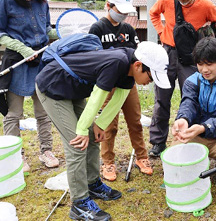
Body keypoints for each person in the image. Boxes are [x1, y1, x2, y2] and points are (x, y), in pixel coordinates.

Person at [35, 41, 170, 221]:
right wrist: (82, 128)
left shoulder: (130, 68)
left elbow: (118, 99)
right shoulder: (117, 62)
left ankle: (92, 184)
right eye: (151, 77)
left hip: (73, 90)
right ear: (139, 66)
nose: (149, 82)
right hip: (53, 86)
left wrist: (100, 124)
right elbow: (98, 95)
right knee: (77, 143)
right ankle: (79, 204)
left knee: (91, 137)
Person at [149, 0, 216, 157]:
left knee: (191, 98)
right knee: (161, 98)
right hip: (167, 53)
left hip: (190, 57)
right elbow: (153, 14)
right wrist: (161, 31)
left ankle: (189, 138)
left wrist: (204, 39)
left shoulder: (205, 5)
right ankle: (158, 142)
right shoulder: (166, 0)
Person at [0, 0, 59, 172]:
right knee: (13, 114)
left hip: (41, 62)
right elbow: (1, 34)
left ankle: (46, 151)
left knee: (43, 111)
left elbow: (47, 30)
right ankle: (15, 156)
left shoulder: (42, 2)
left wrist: (62, 32)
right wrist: (23, 48)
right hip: (18, 62)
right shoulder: (4, 2)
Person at [89, 0, 153, 181]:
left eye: (126, 12)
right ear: (108, 6)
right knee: (108, 124)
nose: (123, 15)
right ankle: (108, 162)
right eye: (120, 10)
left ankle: (142, 157)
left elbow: (136, 56)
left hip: (128, 84)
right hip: (107, 86)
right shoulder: (97, 29)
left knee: (135, 121)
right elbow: (93, 58)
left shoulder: (128, 29)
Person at [172, 37, 216, 185]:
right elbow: (188, 103)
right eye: (200, 64)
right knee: (176, 151)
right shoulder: (192, 81)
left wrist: (204, 127)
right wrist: (183, 119)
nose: (204, 69)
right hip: (196, 133)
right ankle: (194, 167)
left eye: (209, 64)